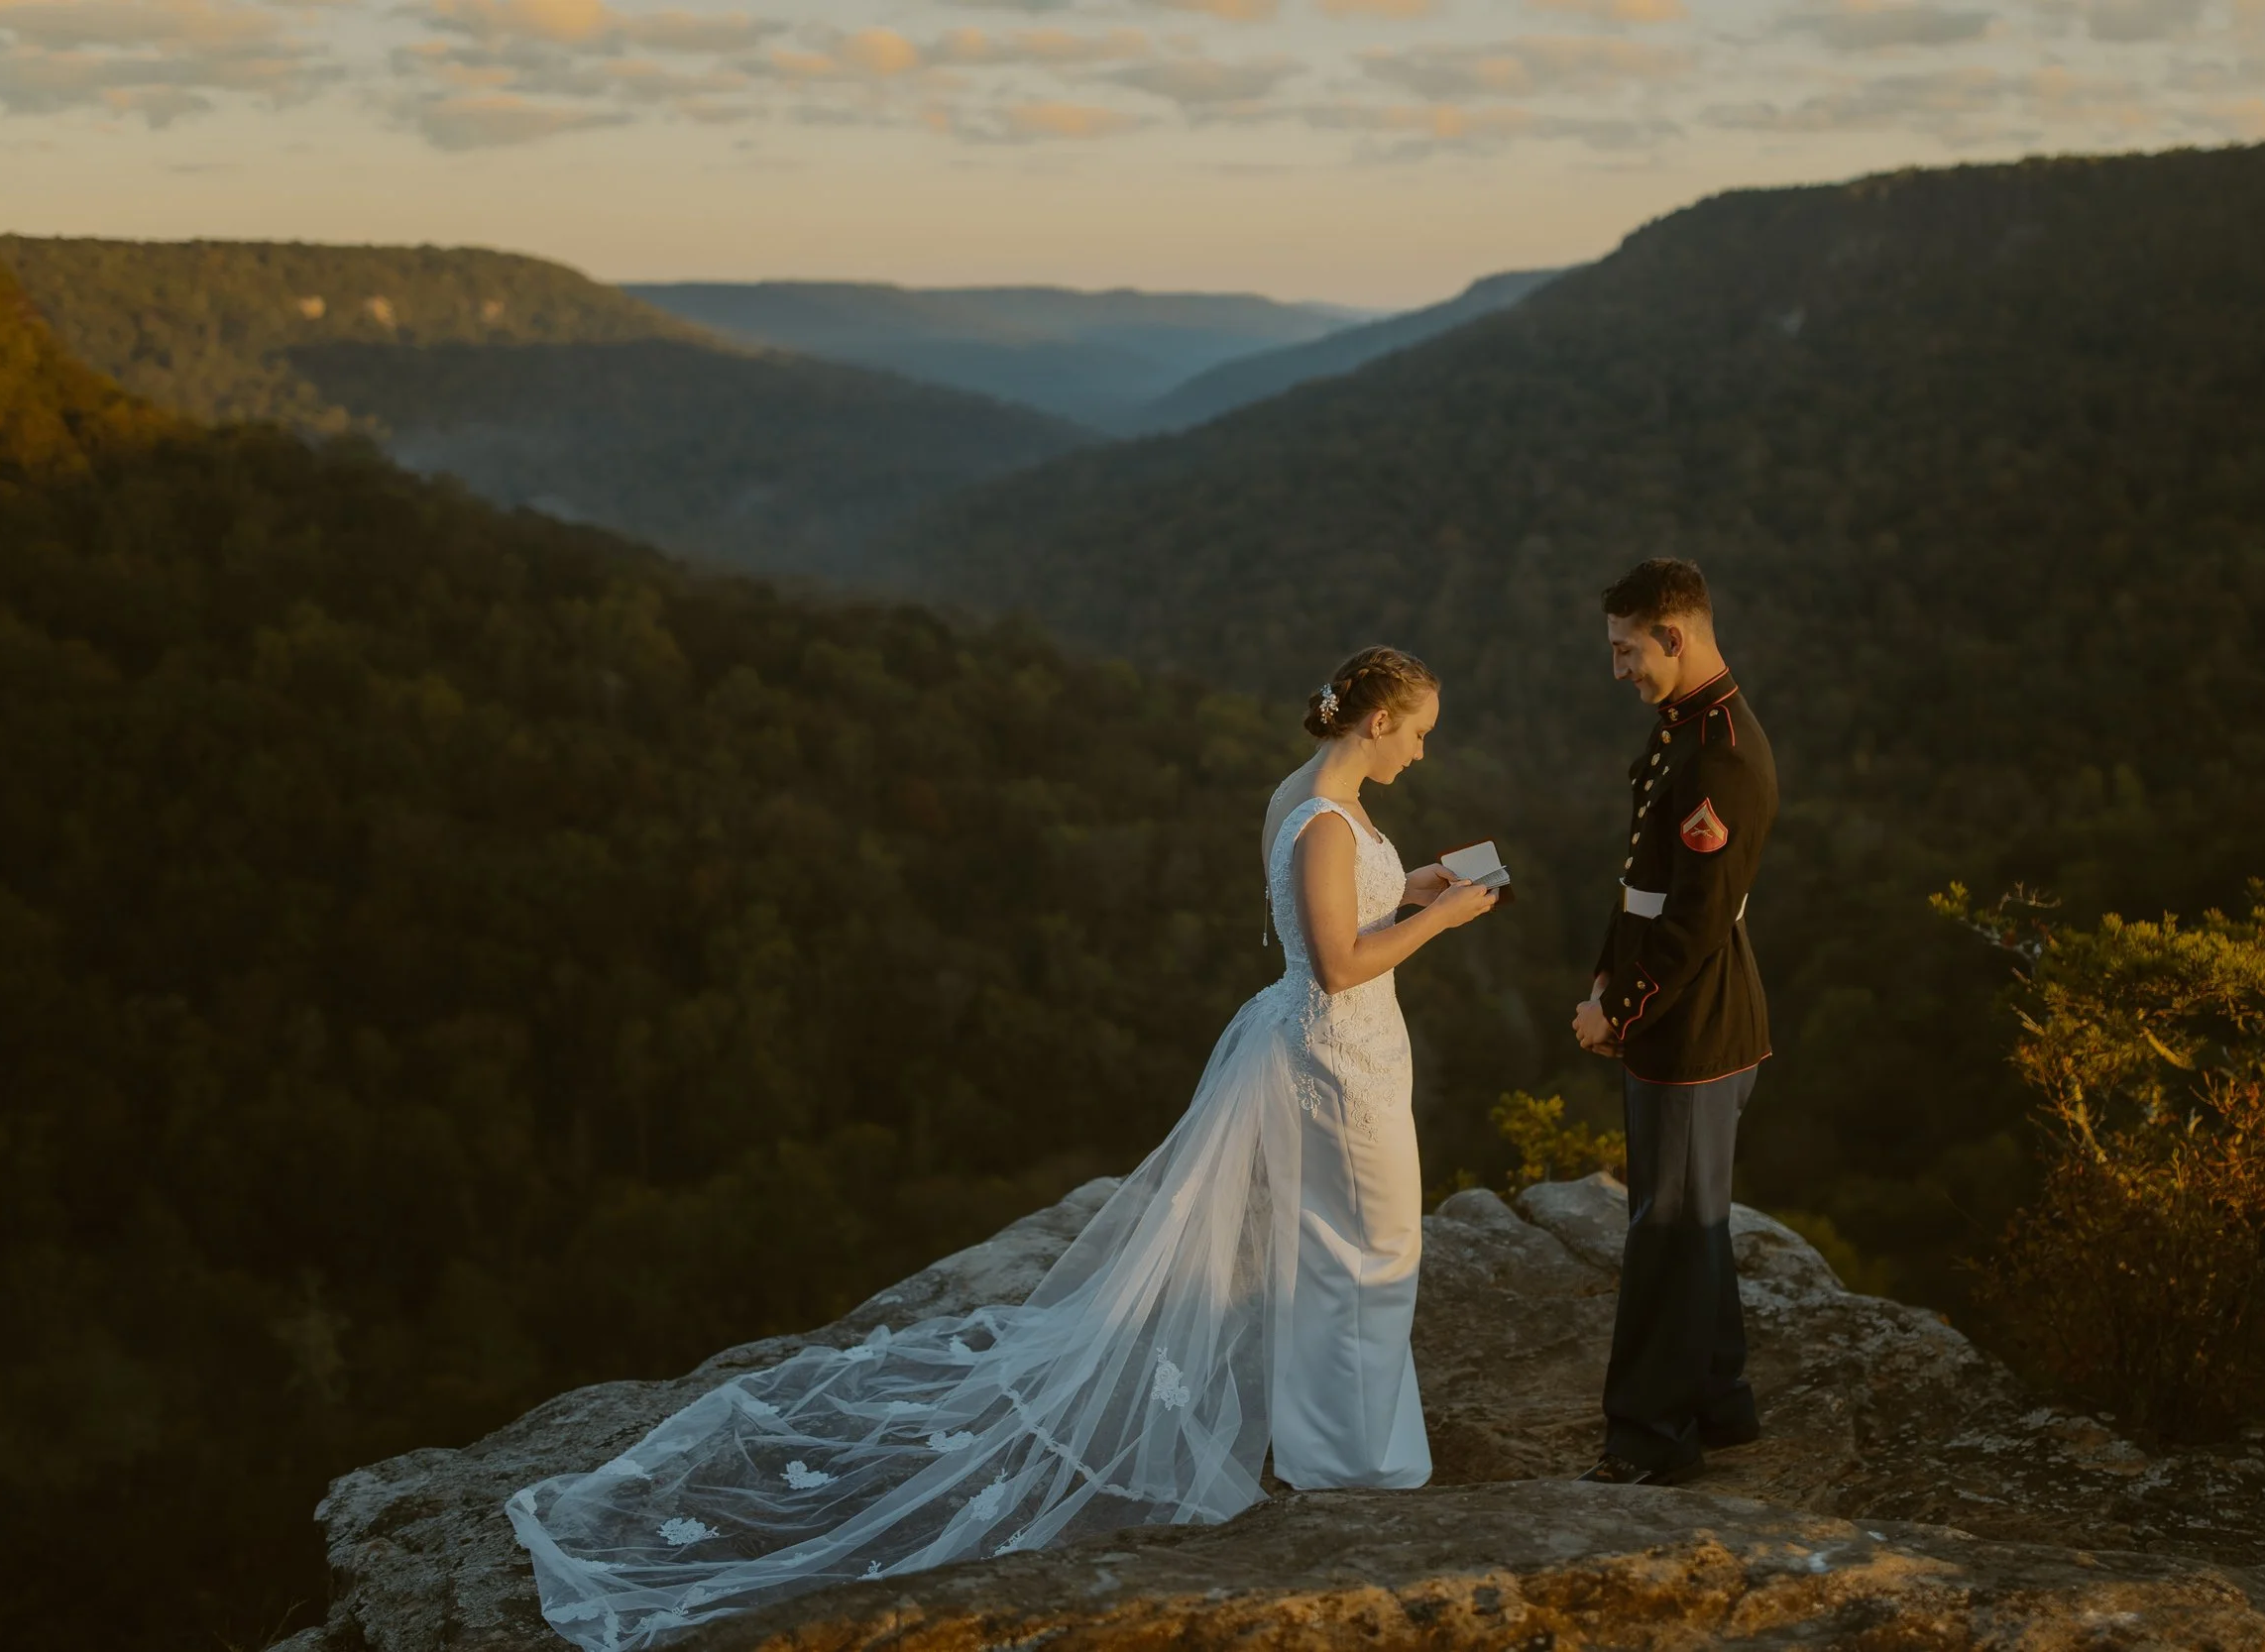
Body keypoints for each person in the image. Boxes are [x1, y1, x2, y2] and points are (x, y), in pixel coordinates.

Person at [508, 646, 1495, 1651]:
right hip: (1335, 1057)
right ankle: (1355, 1467)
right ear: (1375, 723)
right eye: (1416, 732)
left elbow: (1332, 905)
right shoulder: (1327, 818)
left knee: (1336, 1249)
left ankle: (1344, 1446)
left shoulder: (1305, 792)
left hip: (1333, 1051)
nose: (1420, 753)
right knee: (1361, 1251)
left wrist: (1409, 885)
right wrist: (1447, 916)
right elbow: (1334, 965)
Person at [1569, 559, 1777, 1487]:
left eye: (1627, 650)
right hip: (1675, 1015)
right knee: (1691, 1219)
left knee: (1667, 1232)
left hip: (1693, 1027)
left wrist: (1618, 1012)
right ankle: (1721, 1403)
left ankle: (1652, 1438)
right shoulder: (1686, 730)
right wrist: (1608, 977)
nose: (1618, 669)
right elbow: (1645, 892)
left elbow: (1692, 927)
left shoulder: (1721, 753)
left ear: (1675, 637)